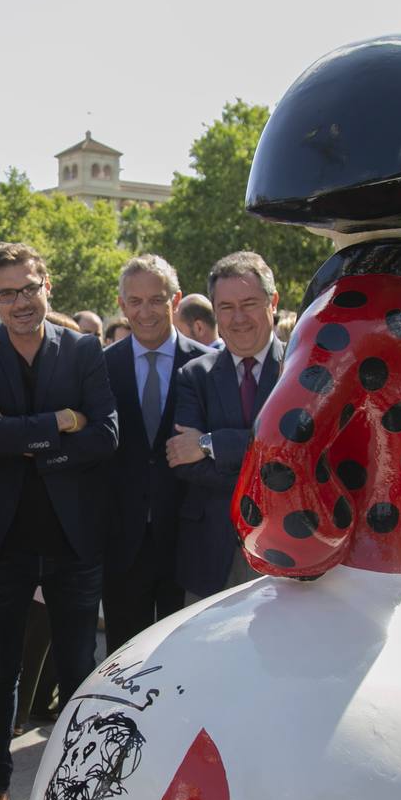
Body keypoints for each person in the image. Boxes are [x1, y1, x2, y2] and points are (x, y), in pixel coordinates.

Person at [0, 241, 118, 800]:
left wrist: (18, 433)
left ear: (47, 286)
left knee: (79, 667)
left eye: (30, 288)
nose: (21, 302)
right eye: (7, 292)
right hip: (3, 541)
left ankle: (76, 785)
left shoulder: (81, 348)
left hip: (73, 536)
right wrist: (57, 421)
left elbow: (105, 435)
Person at [103, 255, 213, 653]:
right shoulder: (101, 366)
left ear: (176, 299)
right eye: (135, 301)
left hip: (187, 538)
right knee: (122, 655)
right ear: (121, 305)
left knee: (182, 655)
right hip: (121, 541)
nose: (145, 311)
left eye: (156, 300)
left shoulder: (205, 365)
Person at [167, 251, 284, 595]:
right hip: (209, 554)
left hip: (287, 551)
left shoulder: (303, 370)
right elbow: (183, 465)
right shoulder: (194, 376)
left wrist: (209, 445)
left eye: (249, 303)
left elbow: (298, 451)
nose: (238, 318)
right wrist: (267, 458)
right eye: (226, 307)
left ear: (273, 301)